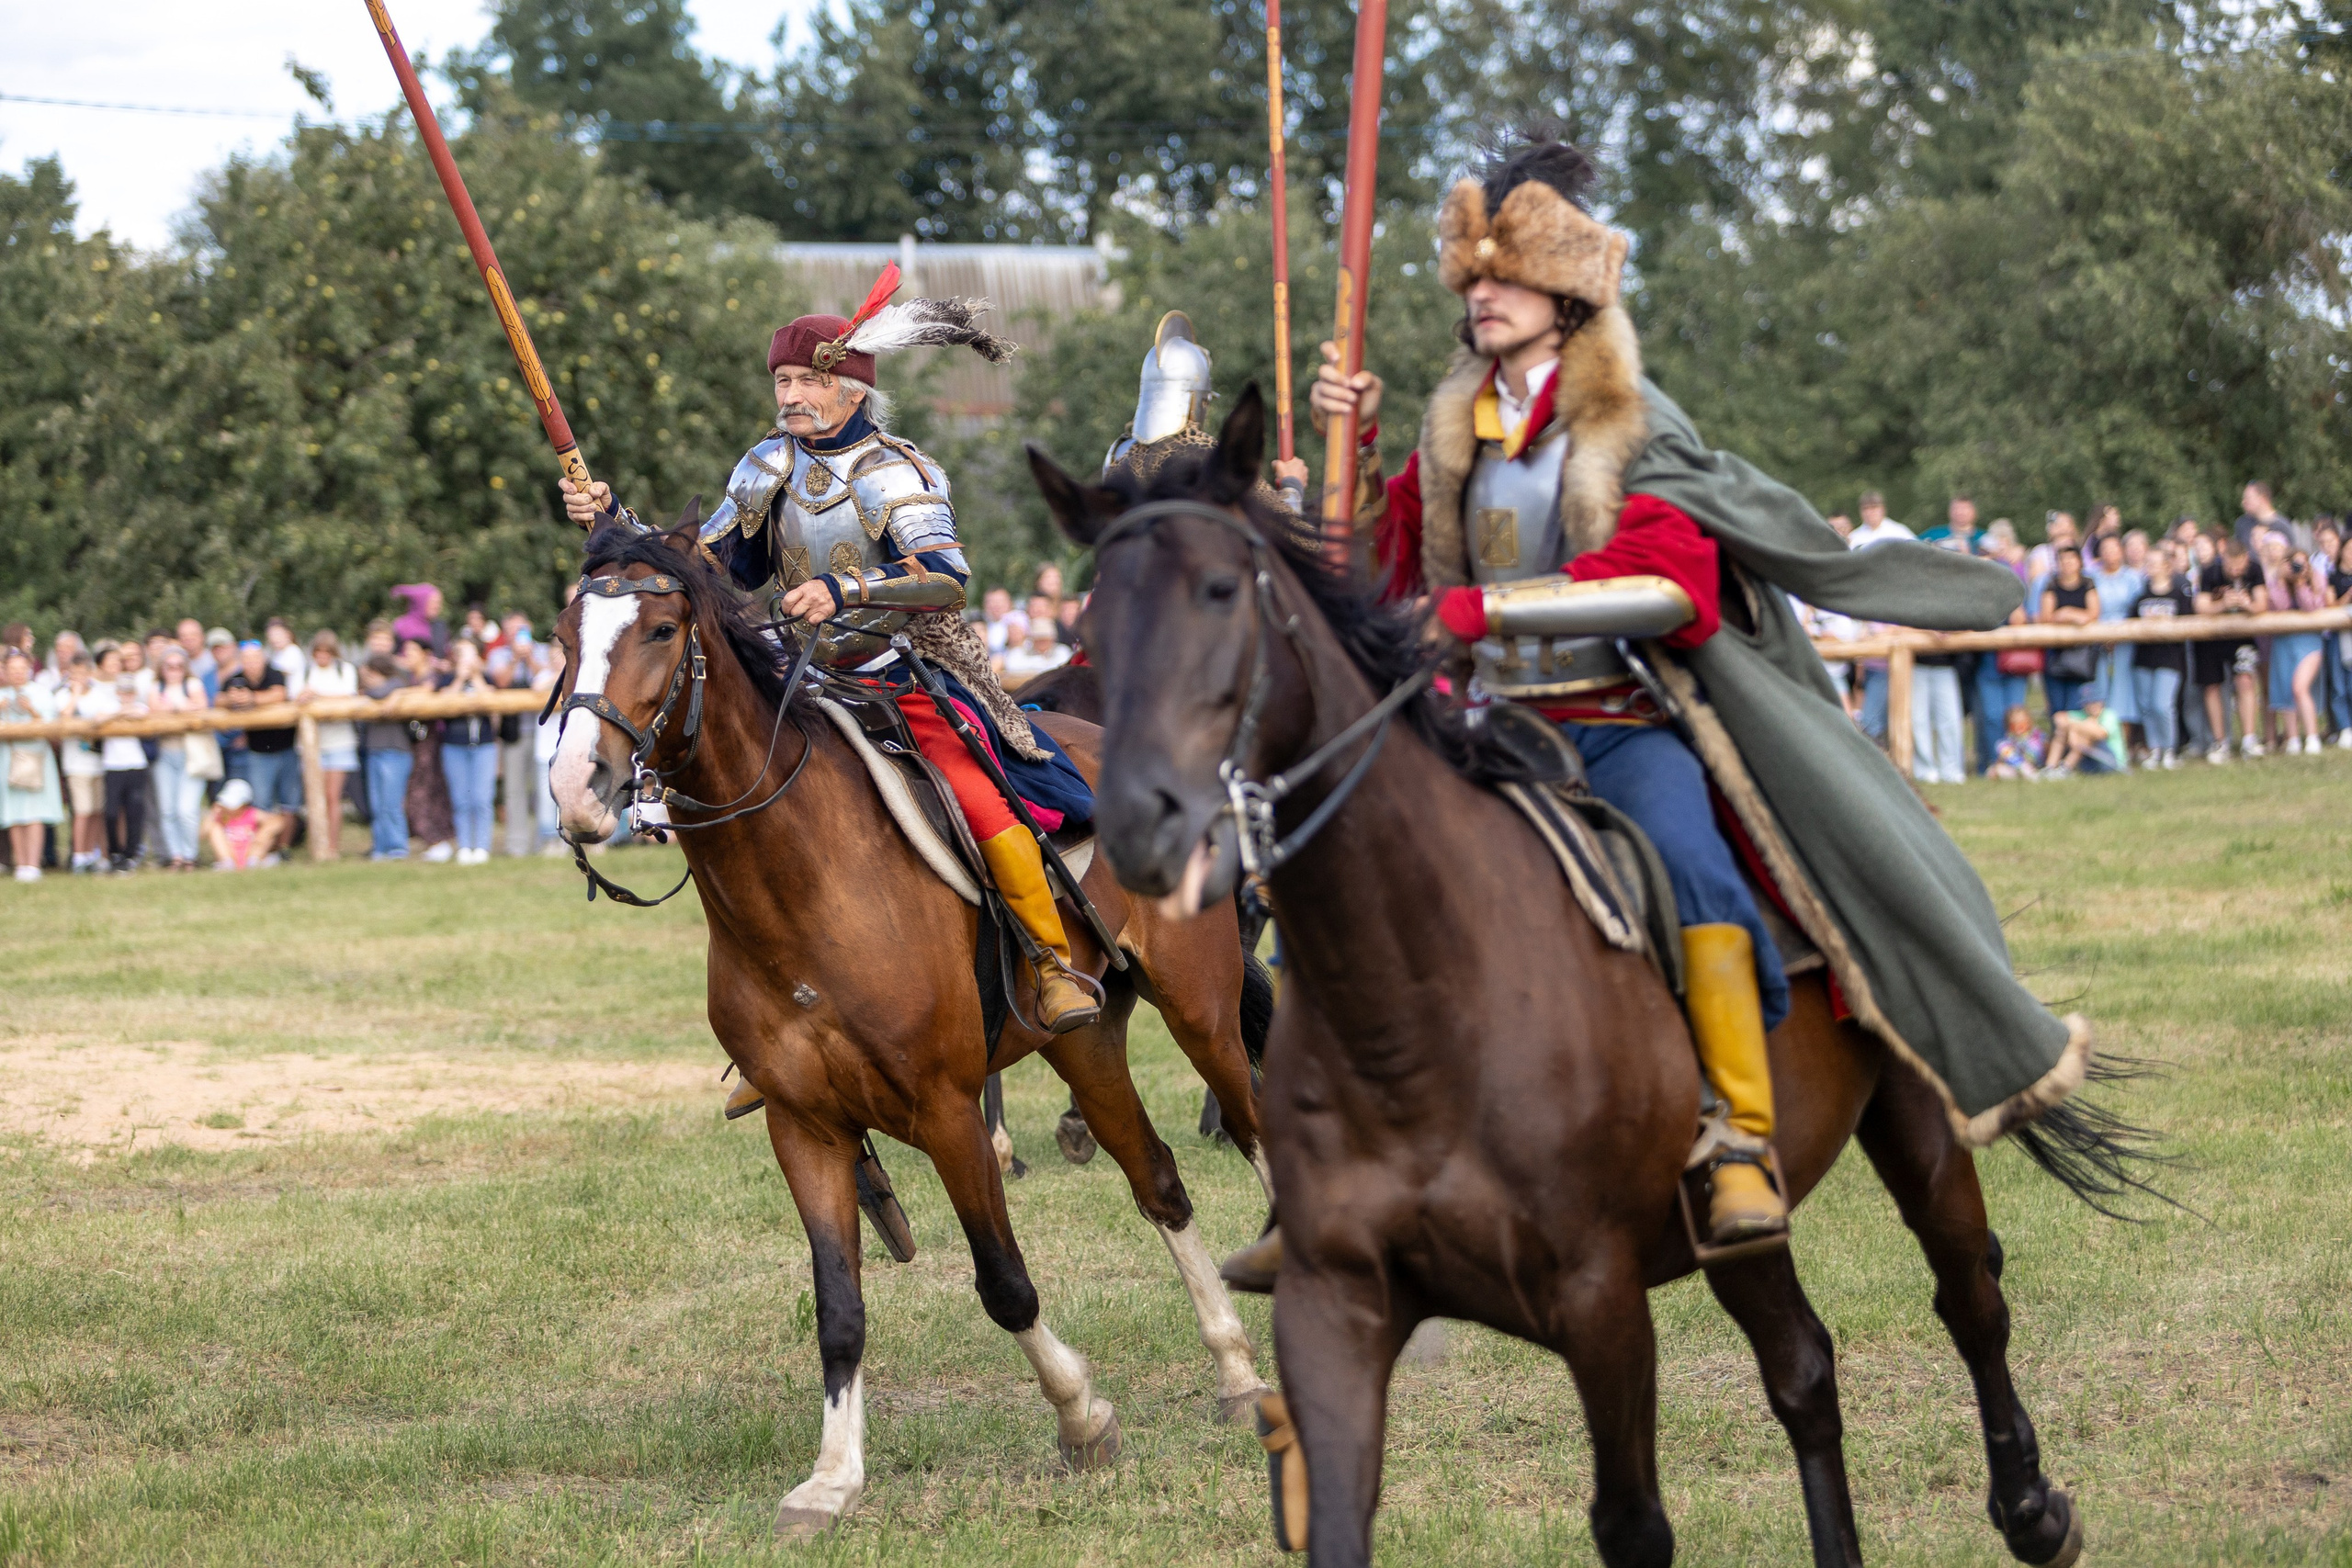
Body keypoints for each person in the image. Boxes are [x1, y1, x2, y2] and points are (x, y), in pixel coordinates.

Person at [1295, 127, 2082, 1255]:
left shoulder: (1627, 423)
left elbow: (1670, 587)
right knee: (1342, 872)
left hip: (1613, 725)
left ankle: (1739, 1137)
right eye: (1474, 281)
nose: (1484, 298)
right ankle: (1341, 1156)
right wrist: (1351, 451)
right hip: (1479, 732)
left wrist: (1479, 613)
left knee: (1699, 871)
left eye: (1507, 279)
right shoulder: (1453, 432)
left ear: (1566, 296)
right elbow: (1383, 579)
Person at [563, 271, 1104, 1055]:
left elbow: (947, 575)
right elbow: (698, 567)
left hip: (902, 666)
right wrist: (614, 521)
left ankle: (1052, 959)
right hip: (803, 675)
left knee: (976, 795)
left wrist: (843, 585)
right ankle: (784, 1022)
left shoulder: (896, 470)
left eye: (810, 380)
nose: (791, 394)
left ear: (851, 389)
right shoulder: (764, 468)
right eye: (783, 380)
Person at [2196, 533, 2266, 761]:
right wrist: (2223, 604)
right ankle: (2220, 742)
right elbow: (2200, 606)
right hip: (2211, 638)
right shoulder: (2210, 572)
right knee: (2212, 687)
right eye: (2231, 566)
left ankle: (2249, 739)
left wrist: (2248, 605)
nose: (2236, 571)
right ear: (2223, 559)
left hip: (2242, 635)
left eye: (2240, 566)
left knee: (2245, 680)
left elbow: (2262, 604)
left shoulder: (2254, 569)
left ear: (2246, 559)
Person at [219, 641, 299, 840]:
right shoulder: (237, 679)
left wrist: (251, 699)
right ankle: (266, 847)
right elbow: (218, 700)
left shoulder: (274, 673)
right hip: (258, 751)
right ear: (241, 661)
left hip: (286, 747)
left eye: (255, 659)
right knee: (262, 803)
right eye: (247, 659)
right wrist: (233, 699)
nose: (252, 664)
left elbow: (279, 694)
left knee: (289, 802)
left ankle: (284, 847)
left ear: (263, 658)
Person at [2258, 530, 2327, 754]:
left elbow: (2311, 606)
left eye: (2301, 564)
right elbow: (2280, 606)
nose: (2297, 568)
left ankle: (2313, 737)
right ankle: (2293, 740)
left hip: (2309, 642)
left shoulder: (2316, 579)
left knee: (2300, 687)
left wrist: (2300, 583)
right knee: (2286, 689)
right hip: (2283, 643)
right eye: (2293, 564)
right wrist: (2281, 579)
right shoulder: (2277, 580)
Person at [2, 649, 65, 881]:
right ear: (6, 671)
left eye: (21, 669)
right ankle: (21, 864)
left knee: (34, 812)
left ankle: (33, 863)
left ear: (29, 669)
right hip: (8, 758)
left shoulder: (41, 693)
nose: (17, 674)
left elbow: (51, 726)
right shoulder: (2, 694)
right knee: (14, 812)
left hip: (36, 758)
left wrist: (31, 710)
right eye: (12, 669)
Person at [87, 644, 153, 870]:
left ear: (134, 693)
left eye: (129, 692)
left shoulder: (140, 707)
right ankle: (114, 851)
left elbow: (141, 713)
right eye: (122, 691)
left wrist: (123, 712)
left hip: (135, 765)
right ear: (117, 692)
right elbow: (97, 720)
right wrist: (120, 711)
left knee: (135, 811)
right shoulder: (109, 705)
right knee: (112, 812)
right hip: (113, 765)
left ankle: (131, 854)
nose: (126, 696)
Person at [437, 639, 501, 865]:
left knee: (482, 798)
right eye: (463, 655)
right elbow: (442, 702)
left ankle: (482, 846)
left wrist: (475, 678)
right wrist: (459, 679)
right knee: (461, 799)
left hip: (484, 745)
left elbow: (493, 701)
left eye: (471, 655)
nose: (468, 660)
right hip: (454, 746)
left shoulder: (488, 678)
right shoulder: (446, 679)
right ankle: (464, 845)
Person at [148, 645, 211, 869]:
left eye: (178, 666)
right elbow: (154, 709)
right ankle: (176, 854)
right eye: (169, 666)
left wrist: (172, 708)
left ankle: (190, 854)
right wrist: (182, 707)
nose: (174, 670)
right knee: (167, 809)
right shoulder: (156, 687)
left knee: (187, 808)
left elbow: (200, 706)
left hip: (190, 754)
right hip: (165, 754)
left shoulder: (193, 684)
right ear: (162, 668)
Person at [2127, 553, 2192, 769]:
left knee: (2162, 705)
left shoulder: (2178, 595)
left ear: (2167, 566)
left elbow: (2187, 623)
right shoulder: (2140, 597)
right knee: (2146, 705)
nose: (2151, 567)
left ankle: (2170, 748)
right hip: (2144, 658)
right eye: (2149, 563)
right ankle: (2154, 749)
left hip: (2170, 657)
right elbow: (2131, 623)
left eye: (2156, 563)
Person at [300, 631, 360, 860]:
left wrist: (318, 697)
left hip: (340, 741)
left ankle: (332, 846)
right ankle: (317, 844)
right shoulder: (306, 671)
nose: (322, 656)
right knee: (316, 796)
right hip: (312, 743)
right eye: (319, 652)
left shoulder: (345, 670)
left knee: (333, 796)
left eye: (327, 652)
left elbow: (349, 698)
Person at [398, 637, 457, 863]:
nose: (407, 656)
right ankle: (433, 840)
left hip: (430, 741)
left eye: (411, 651)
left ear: (424, 653)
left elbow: (426, 693)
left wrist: (398, 695)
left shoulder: (431, 675)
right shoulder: (409, 677)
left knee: (425, 791)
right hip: (416, 742)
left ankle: (438, 840)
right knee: (419, 790)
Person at [2084, 532, 2143, 744]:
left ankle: (2123, 747)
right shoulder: (2092, 577)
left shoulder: (2133, 578)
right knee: (2100, 690)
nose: (2110, 554)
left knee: (2123, 691)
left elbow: (2137, 609)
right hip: (2097, 641)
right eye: (2105, 549)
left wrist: (2119, 635)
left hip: (2125, 642)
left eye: (2114, 548)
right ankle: (2100, 744)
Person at [53, 653, 106, 871]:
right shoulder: (62, 695)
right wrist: (74, 694)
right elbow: (64, 717)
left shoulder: (99, 694)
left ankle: (90, 852)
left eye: (83, 673)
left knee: (96, 810)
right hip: (75, 763)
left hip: (98, 762)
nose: (80, 678)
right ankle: (77, 855)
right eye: (75, 674)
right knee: (82, 811)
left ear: (90, 673)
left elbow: (106, 715)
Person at [359, 652, 414, 860]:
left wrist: (375, 692)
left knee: (392, 803)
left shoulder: (396, 686)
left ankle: (398, 846)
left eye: (369, 674)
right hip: (374, 751)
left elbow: (380, 691)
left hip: (395, 751)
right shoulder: (385, 690)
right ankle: (380, 847)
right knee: (377, 804)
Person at [497, 631, 546, 857]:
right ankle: (517, 845)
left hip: (542, 734)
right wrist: (516, 659)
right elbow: (501, 683)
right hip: (514, 734)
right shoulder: (499, 655)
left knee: (542, 790)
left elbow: (547, 681)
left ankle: (542, 841)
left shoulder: (543, 652)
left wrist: (530, 659)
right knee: (514, 790)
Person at [2038, 546, 2102, 716]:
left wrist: (2067, 613)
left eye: (2071, 559)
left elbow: (2093, 613)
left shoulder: (2088, 583)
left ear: (2079, 562)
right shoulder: (2051, 584)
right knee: (2056, 704)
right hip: (2055, 653)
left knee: (2076, 703)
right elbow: (2046, 616)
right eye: (2062, 560)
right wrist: (2074, 617)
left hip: (2081, 653)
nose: (2067, 563)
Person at [200, 777, 283, 869]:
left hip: (251, 851)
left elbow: (278, 822)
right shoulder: (221, 816)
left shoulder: (252, 813)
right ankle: (227, 863)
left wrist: (262, 835)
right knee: (214, 829)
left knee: (268, 831)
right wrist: (213, 815)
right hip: (230, 853)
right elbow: (202, 834)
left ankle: (253, 861)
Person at [1985, 706, 2046, 781]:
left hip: (2033, 765)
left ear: (2028, 723)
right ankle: (2021, 771)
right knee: (2001, 747)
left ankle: (2027, 771)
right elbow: (2006, 755)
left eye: (2022, 725)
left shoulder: (2036, 736)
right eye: (2013, 726)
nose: (2018, 729)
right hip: (2015, 766)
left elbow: (2036, 753)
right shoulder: (2009, 739)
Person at [1002, 616, 1073, 679]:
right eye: (1038, 638)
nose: (1042, 642)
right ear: (1032, 639)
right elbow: (1012, 668)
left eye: (1045, 638)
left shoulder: (1063, 652)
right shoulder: (1018, 653)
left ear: (1053, 639)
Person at [2234, 479, 2285, 555]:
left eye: (2248, 498)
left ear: (2262, 499)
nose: (2244, 502)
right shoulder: (2242, 523)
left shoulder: (2281, 527)